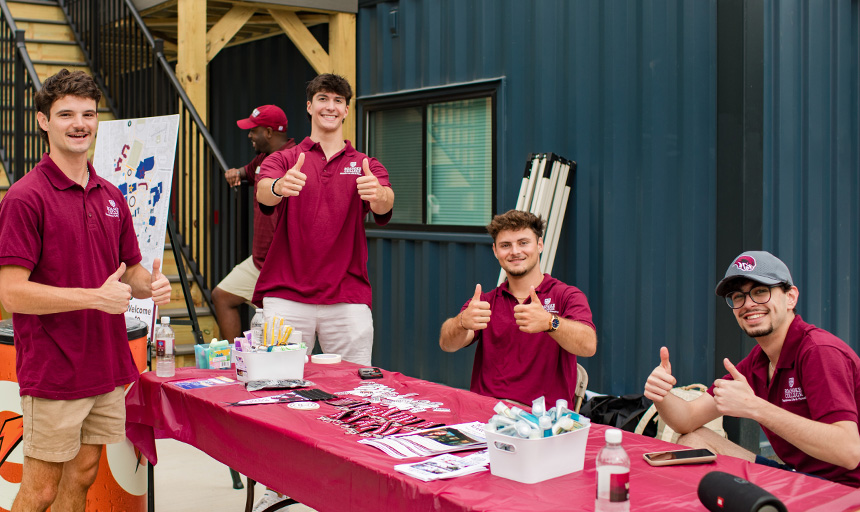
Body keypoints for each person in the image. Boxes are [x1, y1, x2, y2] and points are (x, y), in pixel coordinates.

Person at [0, 69, 171, 511]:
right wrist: (95, 298)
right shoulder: (25, 197)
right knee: (41, 489)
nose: (79, 124)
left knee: (83, 476)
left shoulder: (110, 194)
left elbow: (129, 272)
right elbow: (12, 294)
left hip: (106, 363)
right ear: (43, 121)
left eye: (88, 114)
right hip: (54, 369)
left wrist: (150, 284)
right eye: (66, 114)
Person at [644, 250, 860, 487]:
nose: (748, 304)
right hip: (797, 477)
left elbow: (849, 452)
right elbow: (687, 420)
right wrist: (661, 394)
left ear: (791, 298)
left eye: (760, 292)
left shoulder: (819, 351)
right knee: (694, 440)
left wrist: (755, 407)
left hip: (845, 490)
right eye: (738, 296)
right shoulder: (758, 361)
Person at [254, 73, 394, 367]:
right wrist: (279, 186)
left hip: (347, 298)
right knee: (278, 382)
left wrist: (379, 194)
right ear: (309, 106)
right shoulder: (285, 159)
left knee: (351, 385)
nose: (330, 106)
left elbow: (385, 203)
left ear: (346, 110)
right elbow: (264, 192)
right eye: (323, 99)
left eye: (338, 101)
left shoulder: (365, 165)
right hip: (286, 295)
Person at [438, 210, 597, 406]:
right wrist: (461, 322)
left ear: (539, 245)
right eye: (506, 245)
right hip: (487, 413)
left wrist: (550, 322)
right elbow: (447, 344)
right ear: (495, 251)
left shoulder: (567, 296)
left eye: (523, 243)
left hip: (544, 418)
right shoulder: (485, 302)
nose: (515, 251)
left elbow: (588, 346)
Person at [211, 105, 295, 344]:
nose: (249, 135)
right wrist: (236, 173)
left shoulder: (295, 160)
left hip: (283, 266)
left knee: (274, 333)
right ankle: (236, 358)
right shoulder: (262, 159)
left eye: (253, 130)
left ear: (268, 132)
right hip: (258, 261)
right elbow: (249, 171)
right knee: (221, 296)